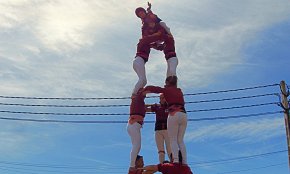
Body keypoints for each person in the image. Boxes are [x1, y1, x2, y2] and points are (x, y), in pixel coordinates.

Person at [132, 2, 178, 95]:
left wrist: (149, 8)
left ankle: (170, 83)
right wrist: (155, 45)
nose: (141, 14)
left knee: (163, 24)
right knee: (143, 80)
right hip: (154, 40)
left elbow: (155, 18)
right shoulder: (144, 27)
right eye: (139, 14)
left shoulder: (153, 20)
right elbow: (146, 40)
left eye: (142, 12)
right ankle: (135, 95)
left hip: (161, 35)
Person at [142, 76, 187, 165]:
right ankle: (182, 162)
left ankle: (175, 161)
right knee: (178, 141)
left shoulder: (167, 93)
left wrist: (144, 89)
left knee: (172, 142)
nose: (162, 99)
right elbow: (147, 108)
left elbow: (155, 89)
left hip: (171, 119)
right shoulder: (179, 91)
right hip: (182, 114)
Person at [146, 93, 172, 163]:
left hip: (167, 129)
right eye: (160, 98)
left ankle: (173, 164)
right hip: (158, 130)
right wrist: (150, 105)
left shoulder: (170, 106)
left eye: (163, 97)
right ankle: (162, 164)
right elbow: (146, 109)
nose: (162, 99)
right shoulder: (157, 106)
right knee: (160, 150)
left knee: (169, 149)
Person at [127, 89, 147, 173]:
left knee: (137, 146)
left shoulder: (140, 102)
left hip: (134, 125)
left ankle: (132, 164)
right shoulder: (138, 98)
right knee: (136, 146)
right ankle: (132, 166)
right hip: (134, 124)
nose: (145, 95)